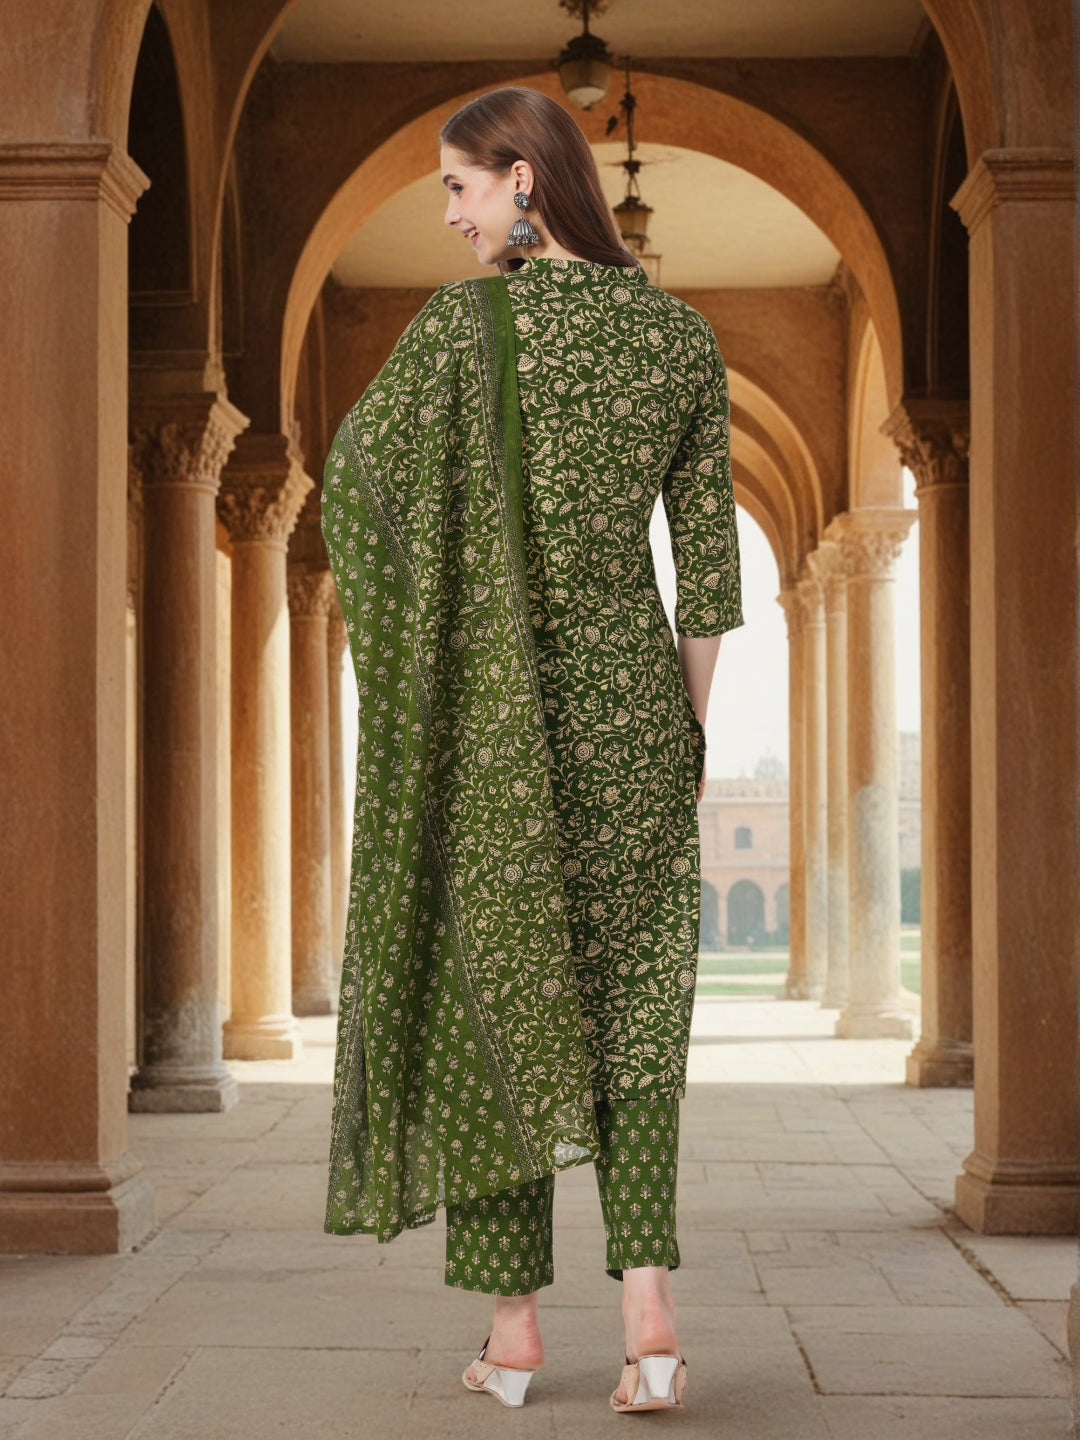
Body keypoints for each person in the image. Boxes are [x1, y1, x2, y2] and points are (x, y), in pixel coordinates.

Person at [320, 85, 743, 1415]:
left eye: (457, 185)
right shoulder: (681, 338)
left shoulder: (462, 330)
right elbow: (709, 575)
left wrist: (440, 613)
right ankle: (651, 1318)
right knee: (636, 1013)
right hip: (636, 711)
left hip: (493, 726)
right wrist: (686, 733)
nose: (449, 213)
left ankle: (513, 1339)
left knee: (495, 1007)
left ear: (520, 178)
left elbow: (355, 486)